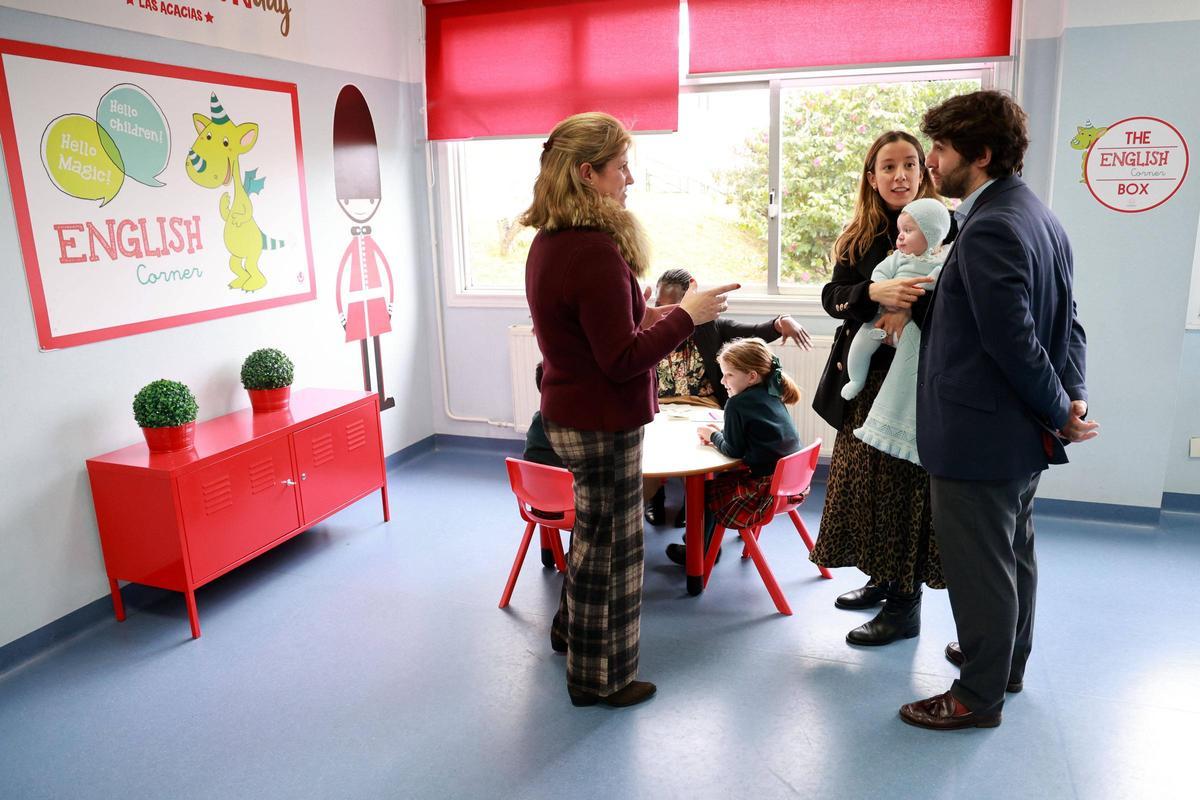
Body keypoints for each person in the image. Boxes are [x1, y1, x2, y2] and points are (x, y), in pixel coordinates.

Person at [522, 112, 737, 708]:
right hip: (601, 421)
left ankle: (572, 633)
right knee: (612, 553)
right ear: (588, 173)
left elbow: (598, 329)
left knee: (592, 539)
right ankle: (601, 678)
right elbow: (620, 360)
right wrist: (685, 316)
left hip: (569, 412)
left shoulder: (552, 242)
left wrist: (655, 314)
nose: (630, 179)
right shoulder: (592, 250)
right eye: (621, 167)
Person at [899, 91, 1097, 731]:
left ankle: (976, 697)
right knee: (1013, 554)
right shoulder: (1037, 214)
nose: (931, 163)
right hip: (1015, 437)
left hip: (979, 435)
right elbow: (1068, 325)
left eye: (941, 150)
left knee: (980, 569)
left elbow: (1013, 343)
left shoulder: (990, 227)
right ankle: (1005, 662)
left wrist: (1060, 409)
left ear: (980, 155)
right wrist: (1070, 396)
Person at [808, 131, 952, 646]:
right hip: (862, 385)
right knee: (864, 486)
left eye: (910, 164)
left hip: (911, 384)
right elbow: (833, 298)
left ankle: (904, 603)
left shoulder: (943, 231)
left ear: (924, 171)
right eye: (888, 166)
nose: (900, 175)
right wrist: (874, 293)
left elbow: (952, 303)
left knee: (902, 491)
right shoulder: (858, 236)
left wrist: (909, 306)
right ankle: (880, 574)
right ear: (872, 177)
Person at [646, 268, 812, 528]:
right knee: (647, 448)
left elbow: (757, 331)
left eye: (674, 307)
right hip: (661, 409)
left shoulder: (709, 329)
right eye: (659, 305)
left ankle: (696, 506)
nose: (664, 313)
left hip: (704, 407)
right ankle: (655, 497)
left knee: (698, 451)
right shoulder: (649, 330)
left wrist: (783, 321)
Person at [670, 338, 800, 567]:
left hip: (762, 494)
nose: (722, 381)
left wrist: (713, 436)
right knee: (722, 480)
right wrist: (722, 434)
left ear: (751, 376)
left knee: (702, 491)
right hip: (792, 487)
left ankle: (699, 551)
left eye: (728, 375)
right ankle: (702, 538)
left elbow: (733, 450)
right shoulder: (772, 394)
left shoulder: (737, 404)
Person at [842, 198, 951, 466]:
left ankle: (901, 419)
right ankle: (855, 378)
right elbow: (878, 274)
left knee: (912, 356)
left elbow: (947, 290)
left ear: (932, 233)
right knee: (861, 344)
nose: (900, 238)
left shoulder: (944, 256)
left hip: (913, 329)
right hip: (879, 318)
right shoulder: (895, 256)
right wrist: (878, 292)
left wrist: (908, 307)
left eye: (908, 231)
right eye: (900, 231)